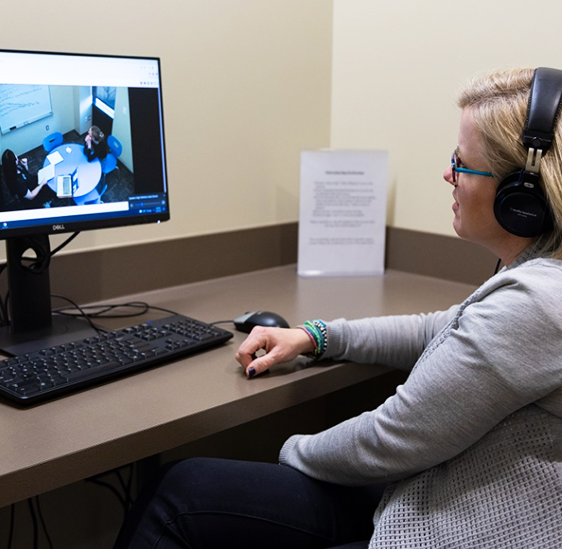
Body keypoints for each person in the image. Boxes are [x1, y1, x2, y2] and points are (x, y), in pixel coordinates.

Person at [113, 68, 562, 549]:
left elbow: (391, 439)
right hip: (446, 495)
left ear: (522, 196)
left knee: (178, 497)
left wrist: (289, 452)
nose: (447, 174)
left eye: (462, 162)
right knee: (183, 487)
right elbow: (444, 328)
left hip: (449, 527)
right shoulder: (542, 279)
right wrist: (317, 336)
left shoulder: (533, 303)